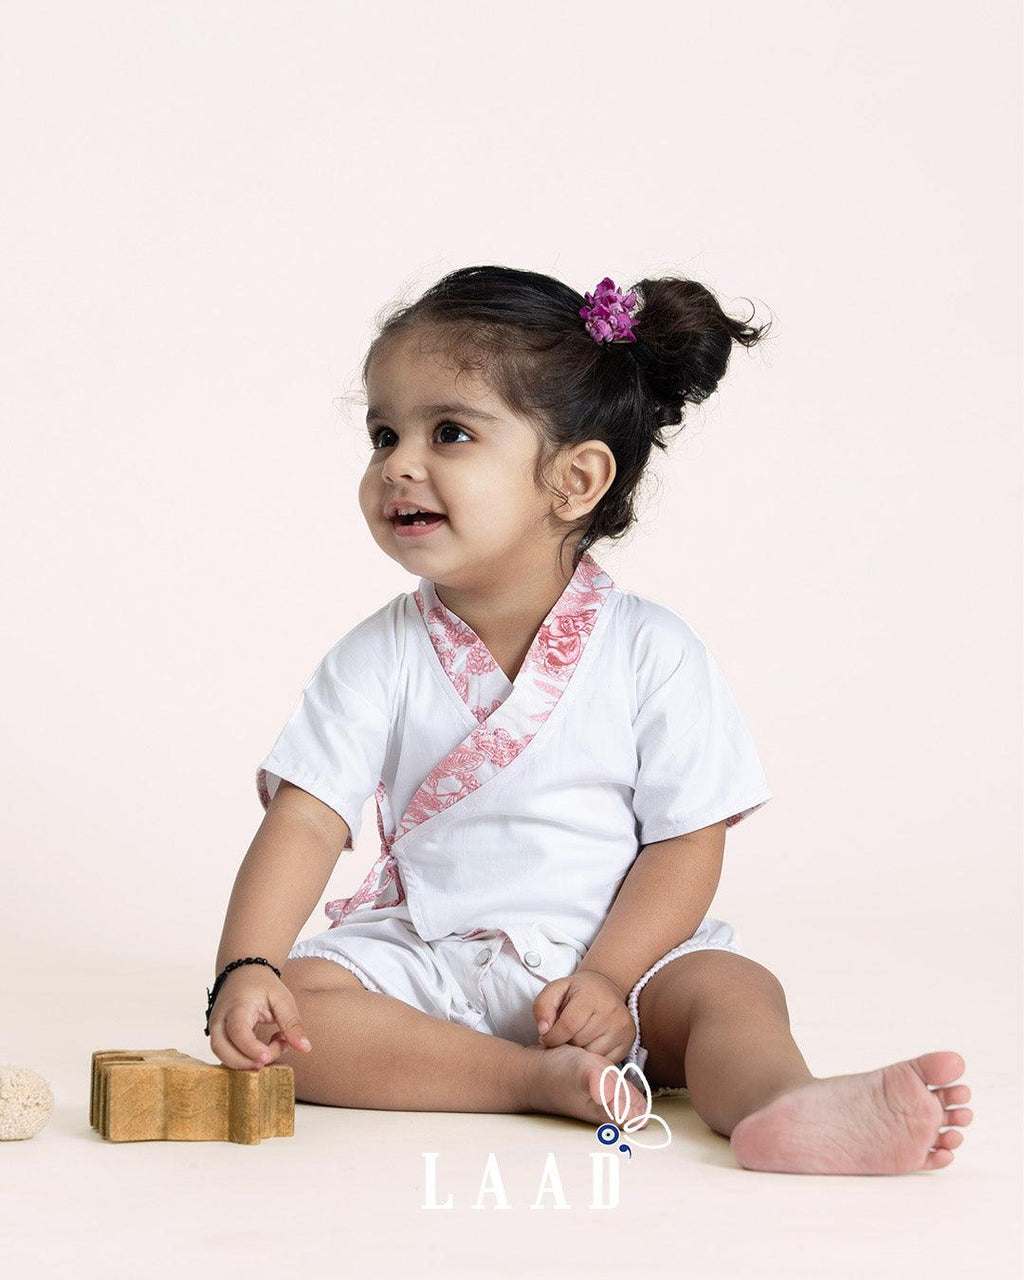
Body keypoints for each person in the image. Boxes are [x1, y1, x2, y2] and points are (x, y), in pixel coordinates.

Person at [208, 266, 972, 1174]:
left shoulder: (654, 652)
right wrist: (245, 968)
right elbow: (307, 816)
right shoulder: (377, 657)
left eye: (448, 432)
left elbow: (686, 842)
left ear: (575, 478)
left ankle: (782, 1104)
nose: (397, 464)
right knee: (300, 1011)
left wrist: (610, 978)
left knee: (734, 990)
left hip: (623, 965)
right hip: (435, 958)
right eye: (383, 434)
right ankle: (520, 1080)